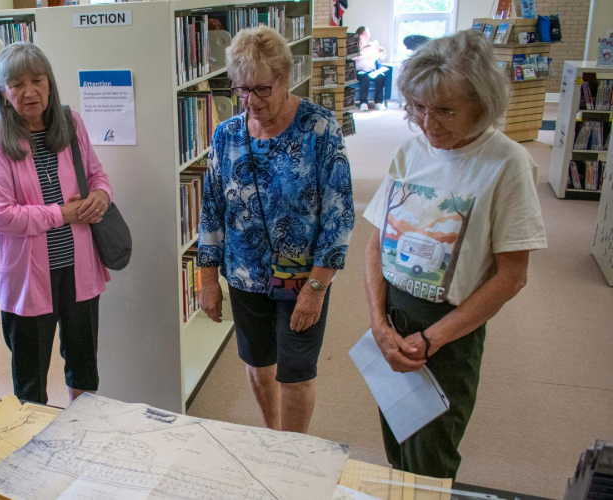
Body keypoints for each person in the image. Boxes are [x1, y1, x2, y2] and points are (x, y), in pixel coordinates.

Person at [361, 30, 547, 479]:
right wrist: (378, 324)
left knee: (430, 461)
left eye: (445, 110)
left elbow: (512, 276)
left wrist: (432, 339)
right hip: (393, 322)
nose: (428, 123)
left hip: (446, 334)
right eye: (418, 108)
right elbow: (376, 241)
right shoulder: (411, 151)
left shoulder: (506, 163)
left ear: (481, 104)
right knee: (397, 447)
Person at [198, 26, 355, 433]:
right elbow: (212, 210)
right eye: (242, 90)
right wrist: (208, 280)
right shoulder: (226, 135)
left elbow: (340, 216)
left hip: (304, 278)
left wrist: (318, 289)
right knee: (257, 361)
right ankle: (275, 440)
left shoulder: (319, 130)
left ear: (286, 78)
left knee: (297, 369)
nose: (251, 101)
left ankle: (294, 448)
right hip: (245, 275)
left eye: (263, 89)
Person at [0, 43, 112, 405]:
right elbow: (0, 214)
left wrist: (101, 196)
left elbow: (97, 176)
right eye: (16, 84)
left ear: (50, 84)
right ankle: (35, 450)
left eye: (37, 80)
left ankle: (83, 433)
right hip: (27, 277)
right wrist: (60, 214)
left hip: (78, 267)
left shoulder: (71, 122)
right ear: (3, 93)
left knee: (84, 364)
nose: (29, 91)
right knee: (30, 379)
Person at [354, 26, 388, 111]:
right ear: (358, 35)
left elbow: (383, 57)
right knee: (365, 76)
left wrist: (382, 52)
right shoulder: (354, 46)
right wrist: (362, 50)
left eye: (367, 34)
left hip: (372, 71)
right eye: (364, 34)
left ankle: (379, 102)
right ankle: (363, 102)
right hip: (359, 71)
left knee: (381, 76)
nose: (366, 36)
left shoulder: (372, 45)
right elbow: (351, 58)